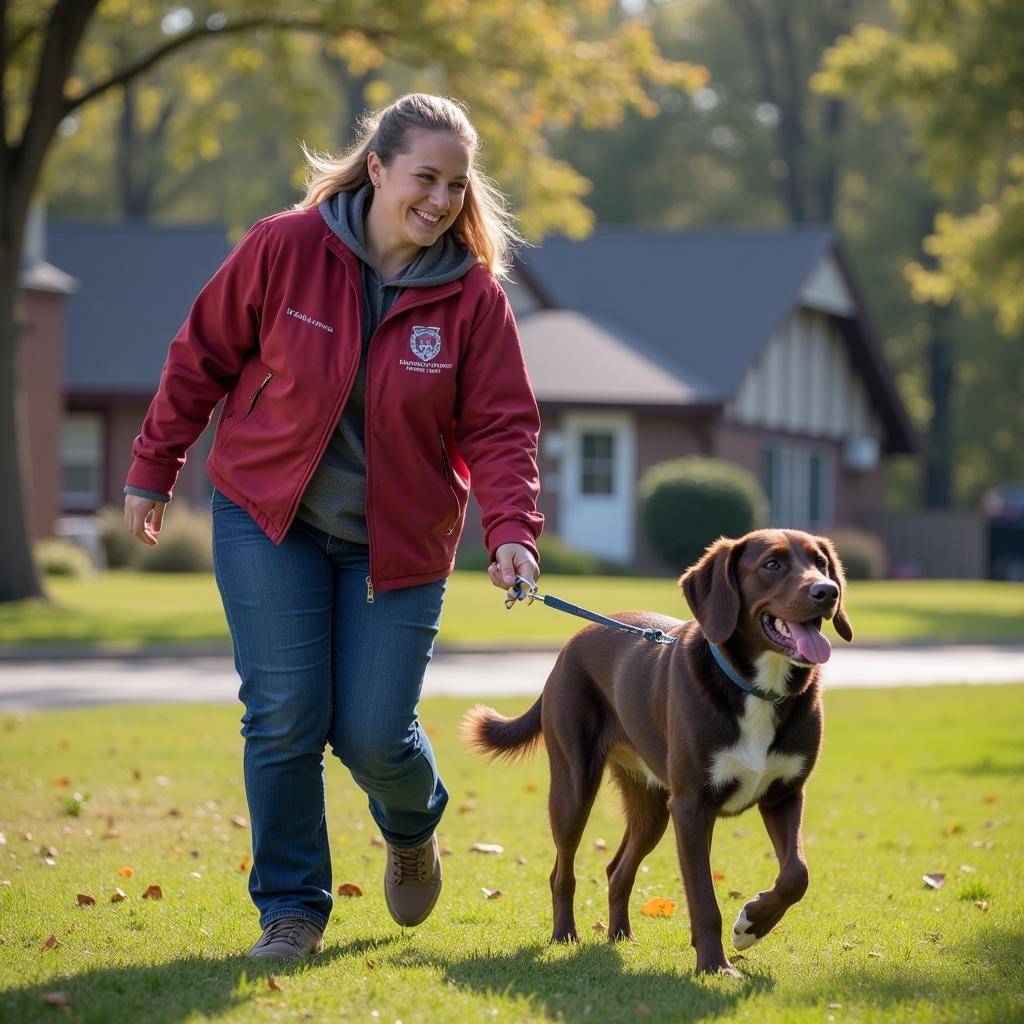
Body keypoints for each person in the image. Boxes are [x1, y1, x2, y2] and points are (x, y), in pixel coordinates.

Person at [123, 93, 543, 960]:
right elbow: (198, 354)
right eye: (425, 178)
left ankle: (413, 820)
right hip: (268, 517)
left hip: (398, 543)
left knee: (373, 731)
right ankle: (292, 912)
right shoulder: (287, 247)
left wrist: (512, 528)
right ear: (378, 167)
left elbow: (502, 426)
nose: (440, 201)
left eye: (457, 187)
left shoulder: (471, 298)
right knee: (283, 714)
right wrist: (153, 466)